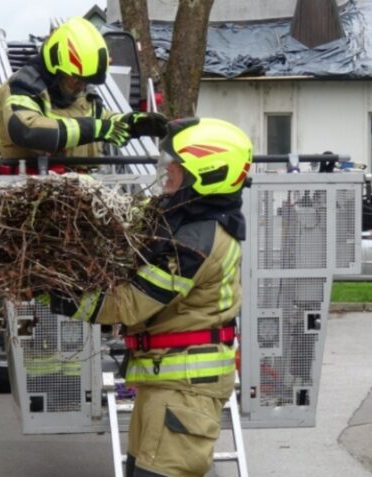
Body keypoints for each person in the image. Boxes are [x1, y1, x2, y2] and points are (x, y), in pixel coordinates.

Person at [51, 117, 253, 477]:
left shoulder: (195, 242)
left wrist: (55, 295)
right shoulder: (188, 221)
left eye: (175, 168)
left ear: (207, 173)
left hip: (183, 391)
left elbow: (128, 304)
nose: (166, 173)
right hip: (166, 384)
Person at [0, 17, 168, 161]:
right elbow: (27, 130)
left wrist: (132, 123)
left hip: (83, 187)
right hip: (30, 187)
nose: (81, 86)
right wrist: (94, 129)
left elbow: (102, 119)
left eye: (86, 81)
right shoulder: (22, 87)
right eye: (77, 79)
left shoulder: (77, 94)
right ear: (56, 68)